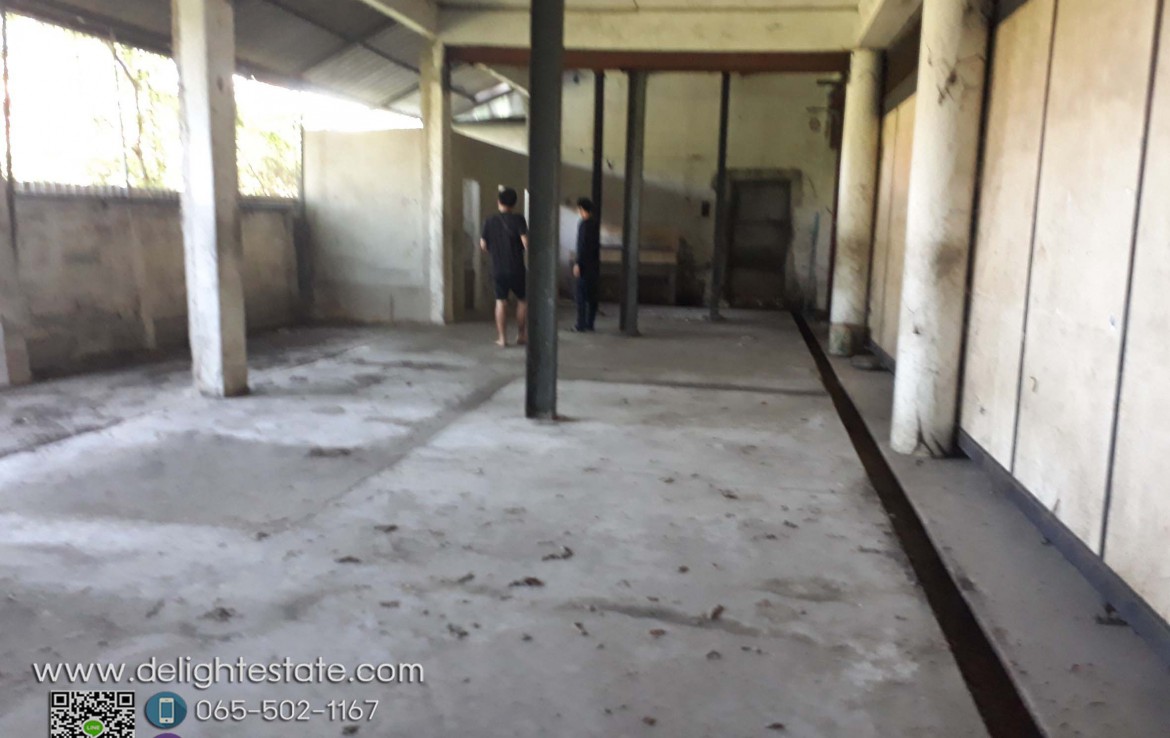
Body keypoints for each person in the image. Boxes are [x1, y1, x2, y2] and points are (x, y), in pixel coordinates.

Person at [480, 187, 529, 347]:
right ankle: (521, 335)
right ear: (514, 203)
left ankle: (502, 339)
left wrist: (496, 250)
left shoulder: (489, 221)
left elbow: (483, 245)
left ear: (498, 202)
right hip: (517, 268)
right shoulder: (519, 220)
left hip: (498, 268)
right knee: (522, 300)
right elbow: (526, 243)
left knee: (501, 302)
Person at [572, 197, 601, 332]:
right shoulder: (595, 224)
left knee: (581, 296)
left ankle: (581, 324)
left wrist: (578, 263)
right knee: (592, 295)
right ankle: (590, 323)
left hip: (584, 265)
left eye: (579, 209)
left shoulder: (584, 225)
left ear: (582, 209)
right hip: (593, 265)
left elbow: (582, 246)